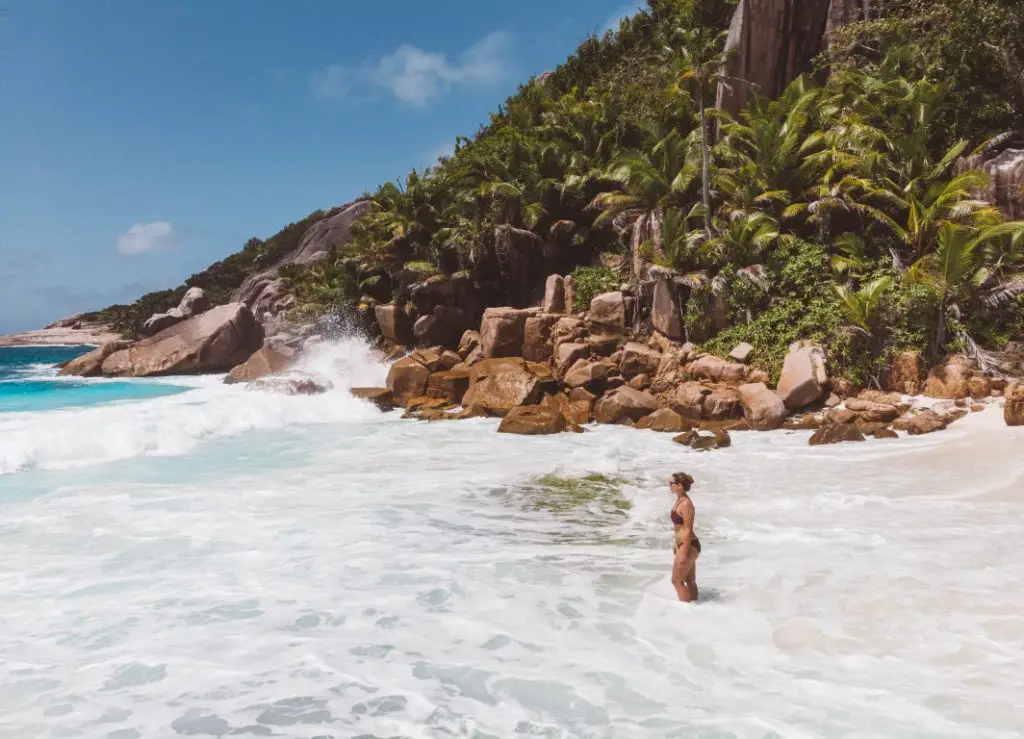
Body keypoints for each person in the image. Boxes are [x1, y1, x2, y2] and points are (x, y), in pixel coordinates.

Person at [669, 472, 701, 603]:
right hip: (684, 544)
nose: (669, 486)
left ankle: (686, 614)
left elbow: (688, 529)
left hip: (689, 545)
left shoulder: (686, 504)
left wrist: (684, 550)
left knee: (677, 581)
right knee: (689, 580)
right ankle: (696, 608)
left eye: (672, 484)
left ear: (680, 486)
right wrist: (676, 543)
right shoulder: (680, 500)